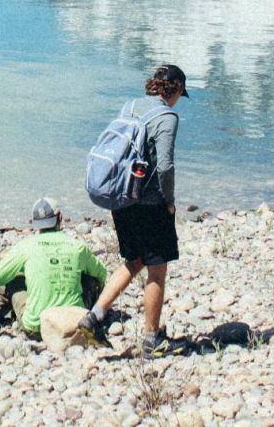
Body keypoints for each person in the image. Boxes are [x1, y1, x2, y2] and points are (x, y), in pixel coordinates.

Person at [78, 64, 188, 358]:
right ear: (176, 88)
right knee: (157, 269)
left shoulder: (130, 106)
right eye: (181, 93)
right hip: (149, 204)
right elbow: (165, 166)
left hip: (123, 197)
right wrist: (169, 201)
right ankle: (152, 340)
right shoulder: (167, 116)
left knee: (134, 260)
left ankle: (95, 316)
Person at [0, 197, 107, 337]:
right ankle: (91, 315)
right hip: (74, 323)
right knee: (88, 274)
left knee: (12, 277)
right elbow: (102, 274)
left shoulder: (26, 246)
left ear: (33, 223)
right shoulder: (77, 246)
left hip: (37, 326)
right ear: (60, 218)